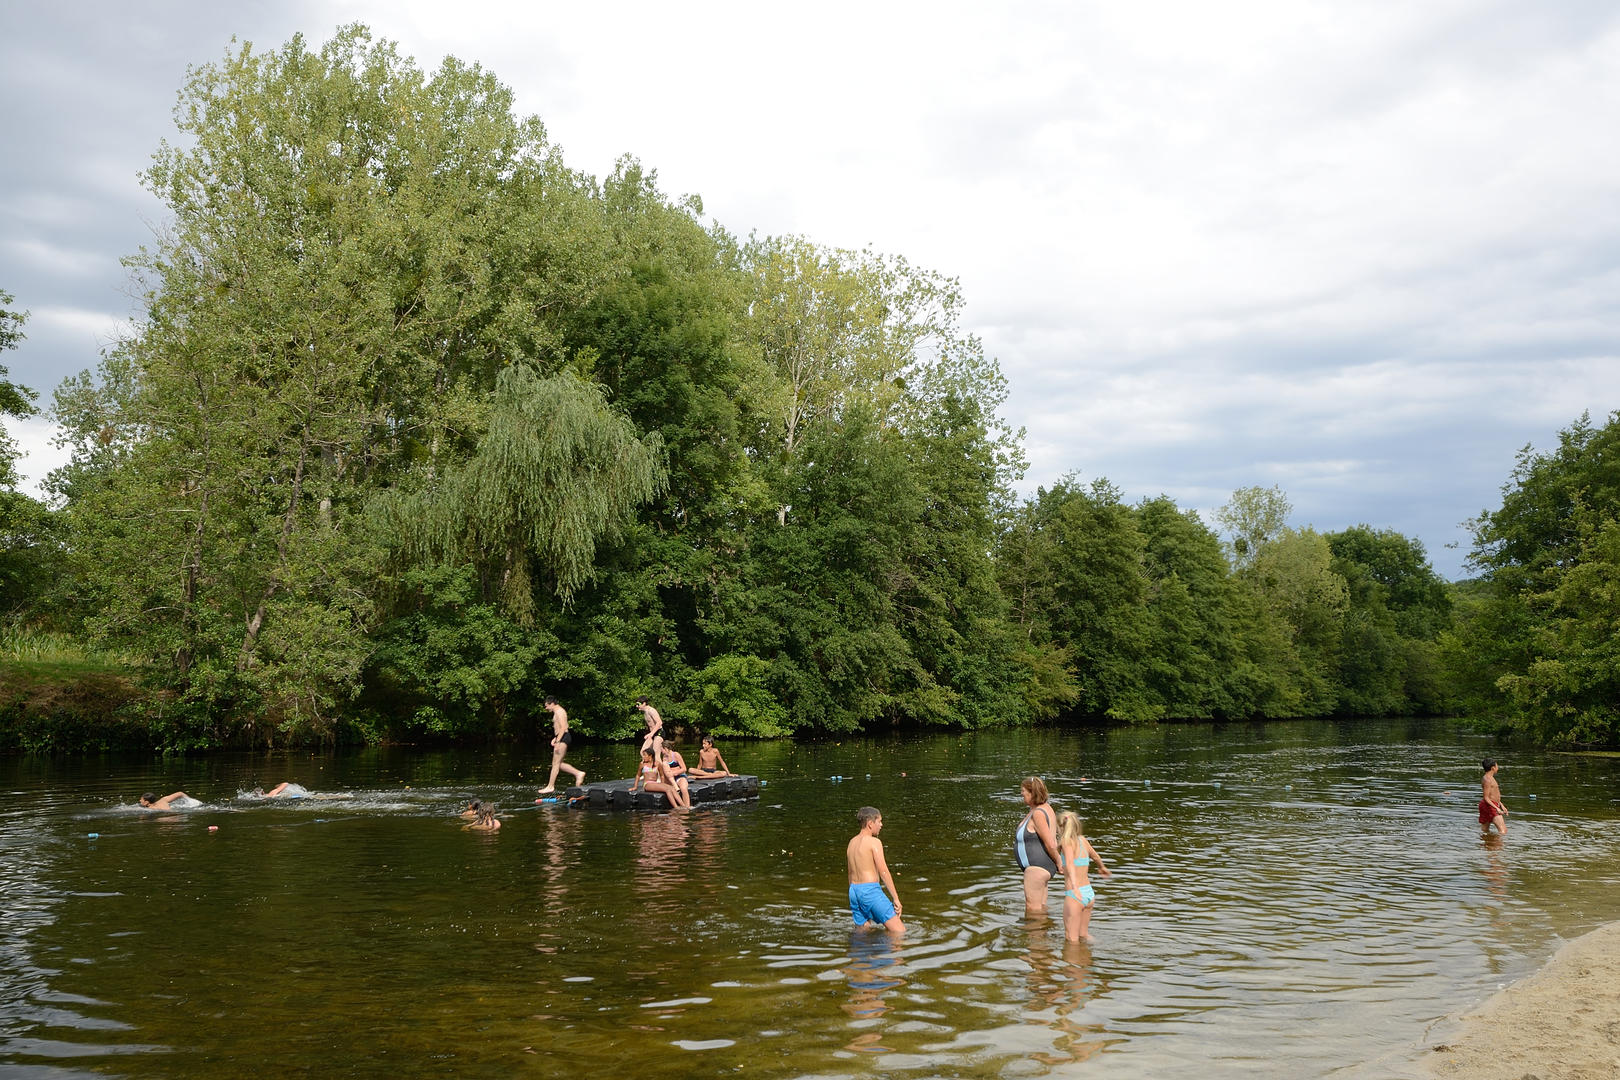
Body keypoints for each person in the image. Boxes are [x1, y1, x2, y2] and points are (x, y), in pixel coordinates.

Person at [1055, 810, 1111, 943]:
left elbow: (1070, 863)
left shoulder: (1066, 842)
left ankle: (1071, 963)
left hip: (1075, 895)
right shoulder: (1083, 840)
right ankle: (1091, 960)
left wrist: (1074, 887)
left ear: (1061, 827)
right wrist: (1102, 868)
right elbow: (1096, 856)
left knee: (1071, 939)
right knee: (1083, 935)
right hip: (1089, 894)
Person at [847, 806, 904, 934]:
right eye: (879, 821)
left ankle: (860, 952)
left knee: (863, 933)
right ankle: (892, 953)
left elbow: (850, 873)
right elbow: (883, 871)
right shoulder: (874, 842)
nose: (881, 825)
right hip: (870, 892)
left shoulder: (852, 843)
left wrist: (854, 893)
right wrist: (896, 899)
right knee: (899, 932)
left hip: (854, 891)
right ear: (870, 824)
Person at [1016, 777, 1061, 912]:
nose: (1021, 794)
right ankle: (1042, 932)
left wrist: (1059, 862)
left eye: (1023, 791)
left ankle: (1033, 933)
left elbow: (1050, 842)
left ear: (1032, 792)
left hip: (1037, 868)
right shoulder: (1045, 809)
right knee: (1040, 908)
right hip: (1041, 867)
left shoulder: (1038, 814)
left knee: (1032, 909)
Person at [537, 697, 586, 796]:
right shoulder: (557, 712)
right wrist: (555, 738)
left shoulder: (559, 711)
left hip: (563, 738)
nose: (546, 708)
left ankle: (550, 786)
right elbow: (559, 728)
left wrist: (558, 741)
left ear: (552, 703)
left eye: (546, 706)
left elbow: (564, 727)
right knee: (558, 764)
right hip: (561, 737)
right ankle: (578, 773)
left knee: (555, 764)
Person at [1479, 759, 1508, 835]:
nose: (1498, 767)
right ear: (1493, 768)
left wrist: (1502, 805)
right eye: (1497, 765)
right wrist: (1496, 808)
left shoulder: (1490, 778)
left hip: (1490, 805)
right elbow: (1486, 797)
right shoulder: (1487, 780)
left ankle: (1487, 845)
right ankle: (1499, 846)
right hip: (1490, 805)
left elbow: (1493, 795)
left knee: (1485, 830)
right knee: (1503, 831)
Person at [664, 743, 693, 808]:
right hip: (671, 779)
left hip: (680, 776)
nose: (661, 751)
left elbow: (684, 768)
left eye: (661, 749)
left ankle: (687, 806)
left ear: (665, 749)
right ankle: (679, 806)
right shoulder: (664, 757)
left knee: (683, 788)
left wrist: (674, 772)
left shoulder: (676, 755)